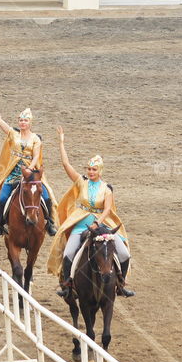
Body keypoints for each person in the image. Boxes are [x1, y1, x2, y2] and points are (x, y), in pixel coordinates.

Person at [47, 127, 134, 298]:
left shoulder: (106, 189)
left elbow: (107, 209)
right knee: (68, 253)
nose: (90, 172)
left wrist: (97, 223)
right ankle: (68, 285)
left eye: (94, 170)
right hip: (81, 223)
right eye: (89, 169)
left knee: (124, 254)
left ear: (100, 171)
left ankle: (121, 284)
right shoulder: (81, 182)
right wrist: (61, 142)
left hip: (103, 225)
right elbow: (66, 165)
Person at [0, 92, 56, 239]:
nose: (22, 123)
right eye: (21, 120)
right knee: (2, 199)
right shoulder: (13, 134)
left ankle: (50, 222)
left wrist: (29, 169)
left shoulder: (35, 139)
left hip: (30, 173)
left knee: (47, 197)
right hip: (14, 173)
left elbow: (36, 156)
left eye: (25, 121)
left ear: (30, 123)